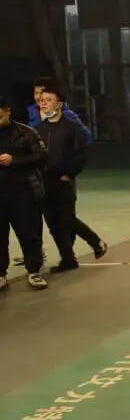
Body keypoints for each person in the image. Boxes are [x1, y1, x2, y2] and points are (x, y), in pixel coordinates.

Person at [26, 78, 106, 264]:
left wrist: (69, 173)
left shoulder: (73, 128)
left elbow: (82, 154)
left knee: (66, 219)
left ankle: (96, 242)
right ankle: (68, 259)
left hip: (63, 182)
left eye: (48, 100)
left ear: (59, 103)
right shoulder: (36, 129)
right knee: (53, 224)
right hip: (43, 182)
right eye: (41, 100)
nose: (43, 103)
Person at [0, 94, 49, 291]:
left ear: (7, 111)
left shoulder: (26, 132)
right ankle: (1, 275)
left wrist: (14, 160)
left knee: (29, 234)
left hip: (23, 193)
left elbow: (42, 156)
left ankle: (34, 272)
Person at [28, 77, 92, 143]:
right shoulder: (33, 111)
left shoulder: (66, 114)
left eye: (42, 93)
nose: (38, 97)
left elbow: (87, 138)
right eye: (36, 93)